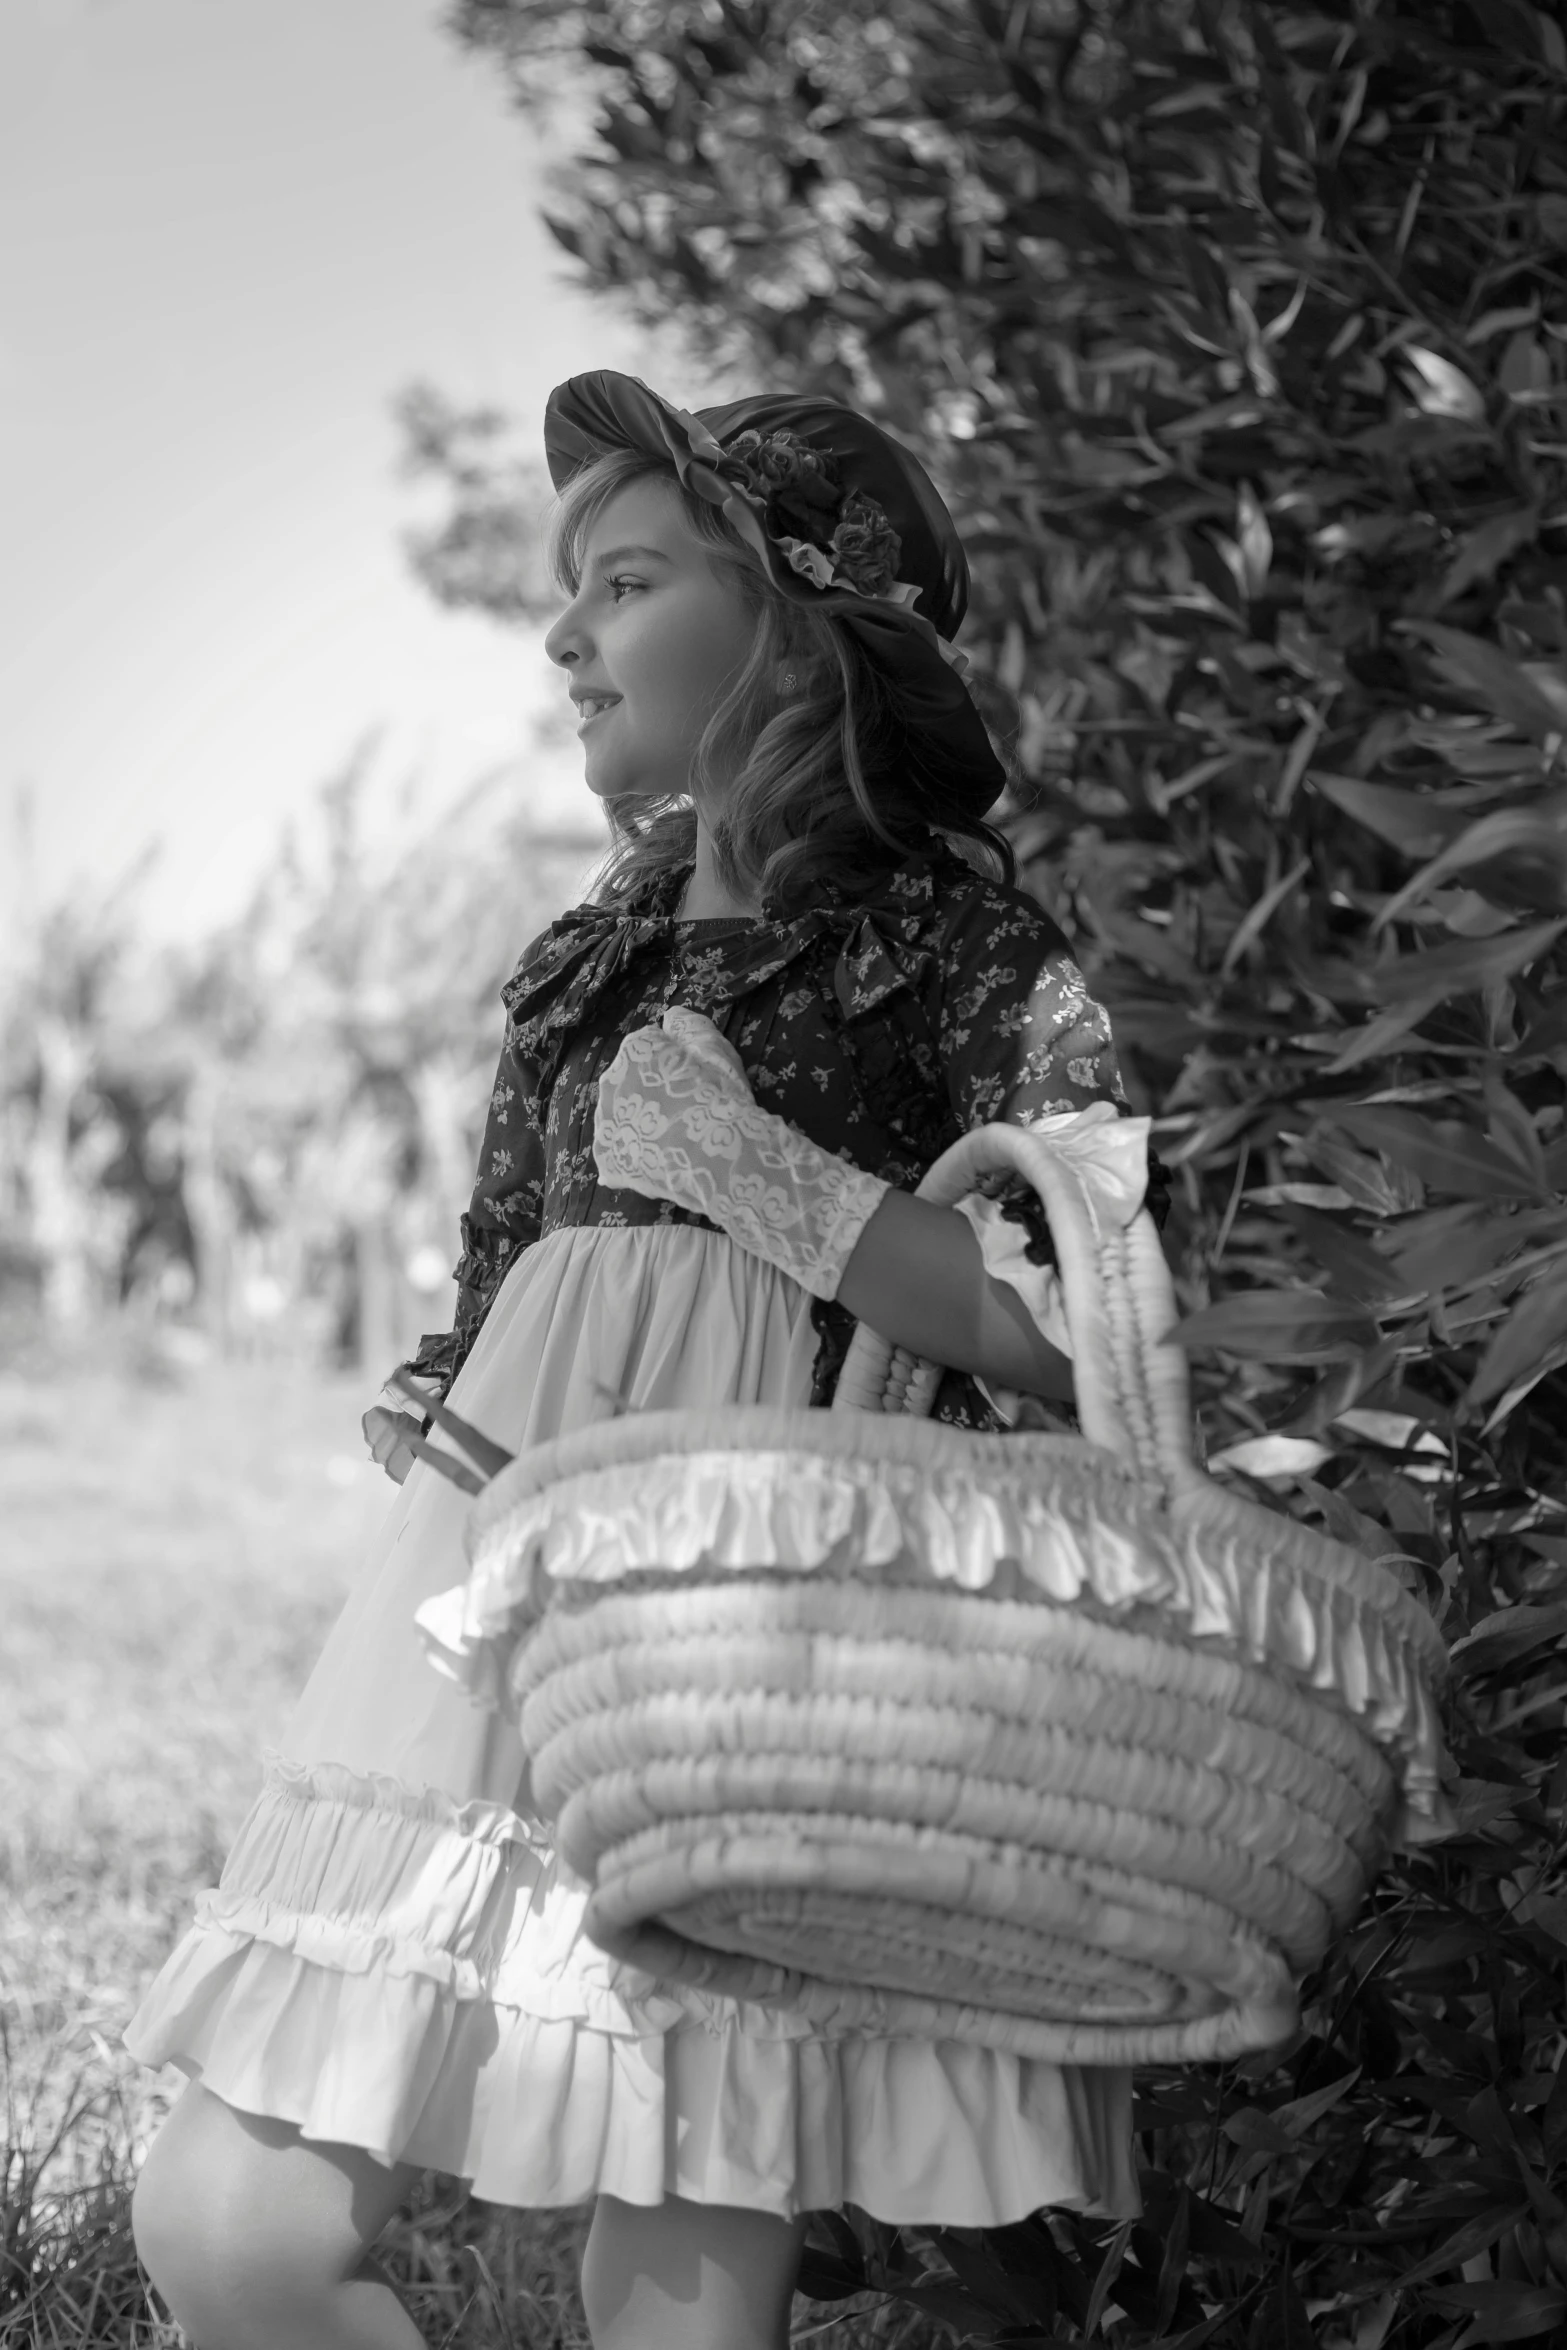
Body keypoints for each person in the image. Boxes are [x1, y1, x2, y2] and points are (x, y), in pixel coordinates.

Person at [128, 370, 1150, 2350]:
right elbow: (515, 1272)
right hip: (500, 1602)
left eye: (624, 577)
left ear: (790, 622)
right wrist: (464, 1374)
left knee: (683, 2254)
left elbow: (1089, 1333)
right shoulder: (579, 970)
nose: (560, 629)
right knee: (230, 2220)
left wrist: (768, 1180)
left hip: (769, 1634)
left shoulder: (970, 962)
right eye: (566, 587)